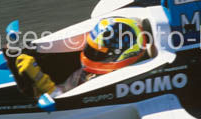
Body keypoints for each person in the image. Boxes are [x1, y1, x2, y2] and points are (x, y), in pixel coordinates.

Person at [15, 16, 150, 97]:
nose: (90, 53)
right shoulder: (88, 73)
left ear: (123, 54)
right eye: (90, 47)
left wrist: (43, 83)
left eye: (99, 52)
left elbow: (68, 102)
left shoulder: (107, 82)